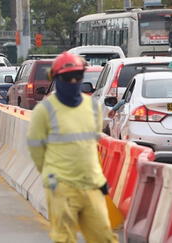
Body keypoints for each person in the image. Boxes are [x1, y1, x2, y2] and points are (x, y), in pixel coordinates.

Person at [27, 51, 117, 243]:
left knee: (104, 237)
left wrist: (99, 179)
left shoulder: (93, 107)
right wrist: (51, 175)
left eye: (78, 77)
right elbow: (36, 148)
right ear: (56, 79)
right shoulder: (44, 111)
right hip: (62, 186)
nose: (74, 81)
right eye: (68, 78)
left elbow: (92, 146)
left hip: (92, 184)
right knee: (64, 238)